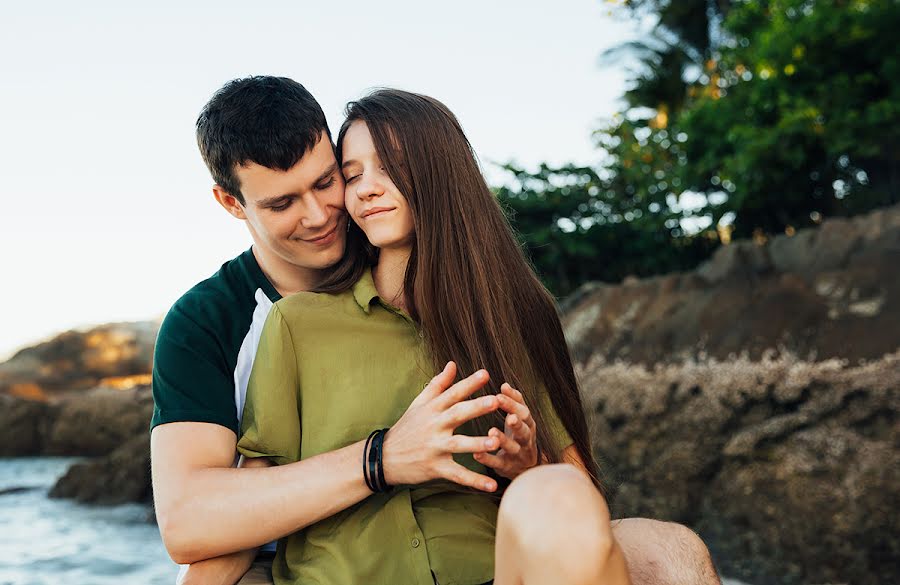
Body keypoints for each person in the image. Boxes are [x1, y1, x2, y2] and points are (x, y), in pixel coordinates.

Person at [150, 76, 719, 585]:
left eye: (328, 182)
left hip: (494, 557)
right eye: (284, 203)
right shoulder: (245, 322)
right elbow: (200, 521)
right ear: (232, 203)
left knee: (672, 550)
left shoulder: (496, 313)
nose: (323, 213)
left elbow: (573, 493)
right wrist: (384, 457)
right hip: (322, 564)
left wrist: (526, 468)